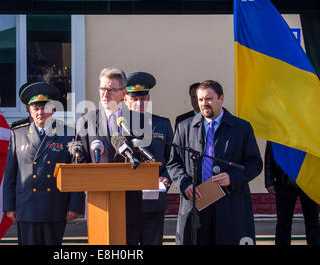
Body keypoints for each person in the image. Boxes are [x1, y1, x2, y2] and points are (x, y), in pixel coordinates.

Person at [167, 80, 263, 245]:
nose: (204, 104)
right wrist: (184, 184)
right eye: (200, 99)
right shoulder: (185, 127)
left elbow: (255, 164)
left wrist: (232, 177)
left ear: (221, 99)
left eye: (209, 99)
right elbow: (173, 163)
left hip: (229, 206)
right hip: (195, 205)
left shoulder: (241, 128)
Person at [3, 82, 84, 245]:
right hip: (26, 206)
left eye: (45, 108)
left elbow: (76, 173)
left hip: (54, 205)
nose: (41, 112)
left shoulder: (68, 134)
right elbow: (10, 174)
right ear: (29, 110)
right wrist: (8, 206)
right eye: (36, 108)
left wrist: (75, 205)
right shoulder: (17, 134)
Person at [75, 67, 146, 245]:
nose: (105, 94)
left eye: (111, 90)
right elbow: (80, 159)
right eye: (102, 89)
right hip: (99, 200)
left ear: (123, 93)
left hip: (130, 200)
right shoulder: (86, 120)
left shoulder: (139, 121)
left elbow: (146, 157)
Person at [123, 71, 174, 245]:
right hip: (125, 202)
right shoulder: (116, 126)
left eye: (143, 99)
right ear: (125, 99)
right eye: (134, 99)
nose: (139, 103)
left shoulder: (162, 124)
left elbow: (173, 160)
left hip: (153, 201)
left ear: (149, 98)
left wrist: (166, 178)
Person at [264, 141, 320, 245]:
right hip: (284, 181)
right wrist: (269, 181)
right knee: (283, 221)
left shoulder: (312, 125)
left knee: (312, 220)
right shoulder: (280, 125)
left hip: (309, 181)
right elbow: (270, 153)